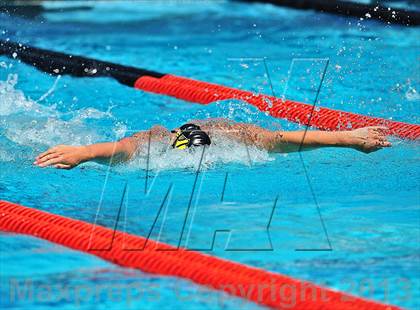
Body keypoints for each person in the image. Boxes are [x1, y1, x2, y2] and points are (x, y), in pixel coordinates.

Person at [34, 118, 391, 170]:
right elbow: (128, 147)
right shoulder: (164, 142)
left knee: (263, 141)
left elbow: (277, 140)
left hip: (203, 133)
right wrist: (85, 153)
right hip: (184, 137)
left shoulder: (229, 138)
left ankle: (347, 138)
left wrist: (347, 138)